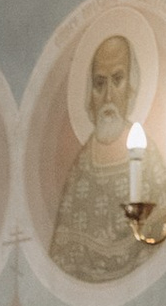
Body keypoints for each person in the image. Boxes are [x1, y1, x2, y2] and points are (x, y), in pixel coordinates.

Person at [48, 34, 144, 282]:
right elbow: (61, 251)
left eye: (118, 80)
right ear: (90, 94)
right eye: (100, 84)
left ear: (131, 86)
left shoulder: (148, 157)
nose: (109, 96)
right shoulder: (81, 166)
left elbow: (158, 235)